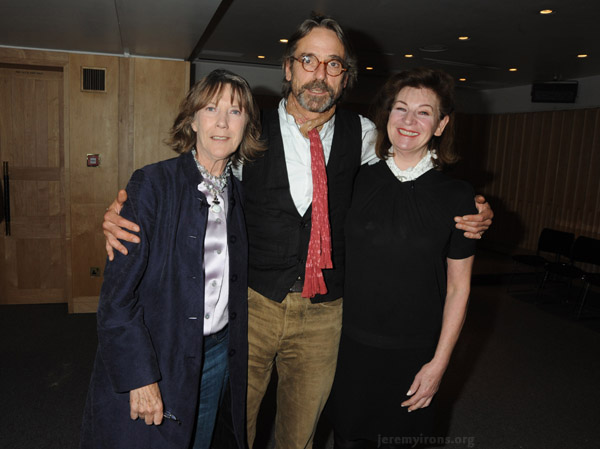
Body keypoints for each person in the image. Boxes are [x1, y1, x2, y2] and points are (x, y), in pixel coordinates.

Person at [100, 16, 493, 449]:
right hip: (252, 306)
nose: (319, 74)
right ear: (288, 68)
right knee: (234, 427)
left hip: (326, 317)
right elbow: (195, 173)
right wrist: (126, 209)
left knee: (300, 435)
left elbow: (410, 158)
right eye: (308, 60)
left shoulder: (363, 135)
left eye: (333, 64)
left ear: (346, 78)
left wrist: (471, 205)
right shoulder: (247, 130)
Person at [80, 69, 264, 449]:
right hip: (156, 354)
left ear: (247, 125)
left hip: (215, 354)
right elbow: (116, 299)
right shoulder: (152, 185)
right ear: (192, 119)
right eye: (211, 108)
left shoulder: (243, 197)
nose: (221, 122)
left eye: (235, 112)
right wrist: (139, 377)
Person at [327, 68, 477, 449]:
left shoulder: (458, 196)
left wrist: (439, 365)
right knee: (346, 439)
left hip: (415, 354)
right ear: (386, 116)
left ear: (441, 125)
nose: (409, 121)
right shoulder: (355, 180)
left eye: (424, 112)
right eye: (400, 108)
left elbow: (459, 288)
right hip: (348, 349)